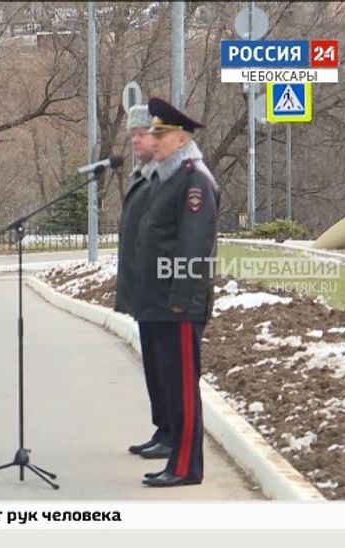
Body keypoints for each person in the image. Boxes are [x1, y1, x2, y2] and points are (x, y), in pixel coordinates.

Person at [135, 97, 220, 487]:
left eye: (160, 133)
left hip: (179, 305)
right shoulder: (169, 176)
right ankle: (176, 460)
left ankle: (186, 467)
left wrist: (183, 300)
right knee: (171, 383)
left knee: (184, 389)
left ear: (181, 138)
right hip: (160, 303)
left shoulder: (194, 179)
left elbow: (193, 245)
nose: (154, 139)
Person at [115, 106, 169, 460]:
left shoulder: (169, 178)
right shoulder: (142, 175)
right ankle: (162, 427)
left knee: (168, 367)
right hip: (144, 290)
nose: (135, 138)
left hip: (163, 292)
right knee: (154, 365)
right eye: (132, 132)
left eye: (143, 132)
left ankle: (173, 433)